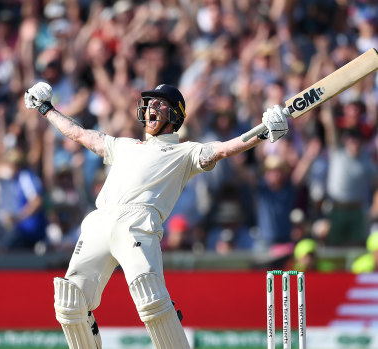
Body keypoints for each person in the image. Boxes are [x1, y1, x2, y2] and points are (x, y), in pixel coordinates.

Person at [24, 82, 288, 348]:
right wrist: (45, 108)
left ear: (175, 115)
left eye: (161, 103)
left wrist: (264, 132)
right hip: (99, 221)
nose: (152, 106)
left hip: (138, 225)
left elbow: (224, 149)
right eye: (150, 102)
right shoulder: (122, 145)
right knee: (69, 302)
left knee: (151, 300)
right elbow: (79, 133)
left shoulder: (184, 152)